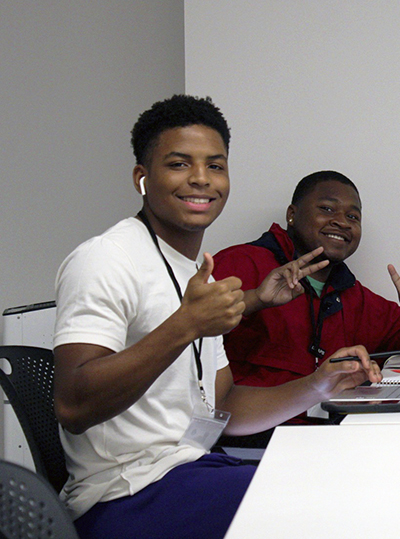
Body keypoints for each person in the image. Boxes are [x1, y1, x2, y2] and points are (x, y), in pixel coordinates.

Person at [52, 95, 381, 539]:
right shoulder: (106, 259)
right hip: (123, 495)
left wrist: (318, 386)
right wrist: (186, 325)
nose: (202, 179)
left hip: (194, 467)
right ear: (142, 179)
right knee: (326, 506)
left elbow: (224, 406)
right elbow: (73, 406)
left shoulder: (195, 272)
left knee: (355, 475)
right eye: (179, 164)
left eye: (216, 165)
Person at [212, 170, 400, 399]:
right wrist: (255, 299)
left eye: (353, 216)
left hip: (331, 433)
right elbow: (191, 330)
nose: (343, 222)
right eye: (327, 209)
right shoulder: (241, 262)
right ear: (292, 215)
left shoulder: (355, 297)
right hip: (251, 438)